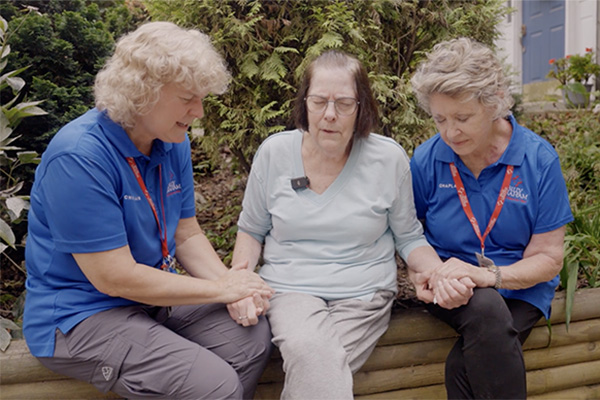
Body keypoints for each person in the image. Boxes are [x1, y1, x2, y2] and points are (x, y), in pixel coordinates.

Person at [23, 21, 275, 400]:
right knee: (214, 385)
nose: (200, 111)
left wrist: (232, 290)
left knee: (249, 338)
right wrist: (220, 288)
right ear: (142, 92)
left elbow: (186, 233)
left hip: (149, 302)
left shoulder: (172, 141)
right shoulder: (79, 157)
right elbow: (114, 278)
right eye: (188, 97)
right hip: (80, 316)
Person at [231, 49, 470, 399]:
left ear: (362, 108)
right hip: (291, 288)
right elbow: (251, 230)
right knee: (311, 349)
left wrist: (438, 273)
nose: (330, 115)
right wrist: (240, 281)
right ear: (304, 104)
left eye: (344, 103)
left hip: (364, 294)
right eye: (319, 101)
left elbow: (408, 237)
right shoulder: (274, 154)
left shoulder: (387, 159)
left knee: (317, 362)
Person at [410, 37, 574, 399]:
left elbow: (548, 259)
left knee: (461, 367)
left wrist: (490, 275)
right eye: (440, 119)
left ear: (495, 103)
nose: (450, 132)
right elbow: (409, 237)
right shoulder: (426, 159)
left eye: (463, 118)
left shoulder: (538, 161)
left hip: (520, 289)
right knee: (482, 305)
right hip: (451, 288)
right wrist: (425, 274)